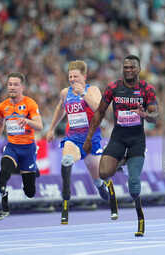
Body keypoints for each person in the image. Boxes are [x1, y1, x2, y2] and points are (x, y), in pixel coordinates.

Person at [83, 55, 158, 236]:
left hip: (136, 140)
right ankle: (122, 161)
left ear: (139, 69)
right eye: (126, 67)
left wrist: (144, 115)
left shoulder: (147, 89)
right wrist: (88, 138)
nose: (128, 70)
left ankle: (140, 219)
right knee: (103, 173)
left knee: (133, 186)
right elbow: (99, 112)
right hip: (118, 137)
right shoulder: (113, 88)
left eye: (132, 67)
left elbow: (155, 118)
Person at [46, 60, 116, 225]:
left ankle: (100, 186)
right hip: (73, 138)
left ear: (84, 76)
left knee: (99, 175)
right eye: (70, 76)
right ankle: (65, 201)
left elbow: (102, 110)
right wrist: (51, 129)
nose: (72, 79)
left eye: (75, 76)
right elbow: (60, 108)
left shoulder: (92, 90)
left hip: (91, 139)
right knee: (66, 160)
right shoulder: (65, 93)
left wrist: (83, 94)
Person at [0, 72, 43, 221]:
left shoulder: (30, 104)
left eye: (15, 84)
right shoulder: (3, 106)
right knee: (4, 169)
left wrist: (28, 122)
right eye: (10, 84)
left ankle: (31, 169)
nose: (12, 87)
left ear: (22, 87)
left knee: (30, 192)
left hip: (28, 149)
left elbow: (39, 126)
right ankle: (4, 208)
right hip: (12, 147)